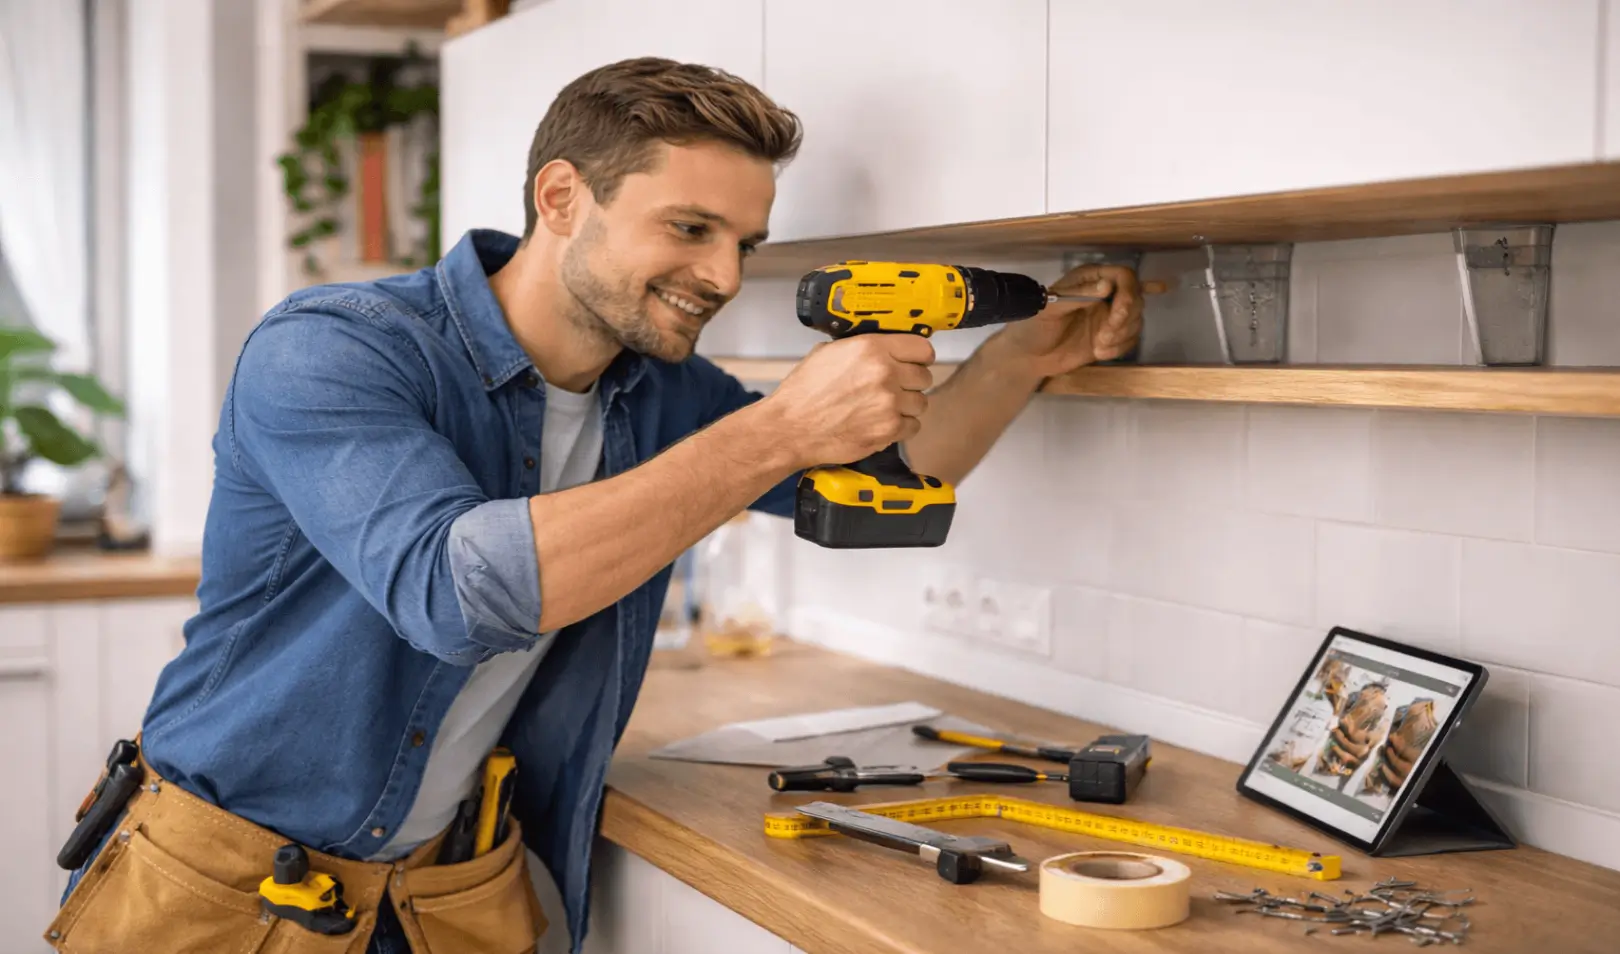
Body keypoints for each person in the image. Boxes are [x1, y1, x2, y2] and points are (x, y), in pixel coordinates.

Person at [46, 56, 1142, 954]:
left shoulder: (656, 389)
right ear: (561, 197)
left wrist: (1017, 362)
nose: (722, 276)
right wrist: (780, 425)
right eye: (690, 229)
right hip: (221, 884)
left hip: (446, 891)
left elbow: (877, 477)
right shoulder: (334, 349)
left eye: (744, 244)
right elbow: (454, 589)